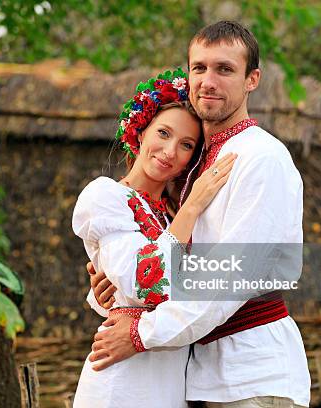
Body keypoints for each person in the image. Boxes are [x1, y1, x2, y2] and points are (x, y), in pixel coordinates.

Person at [88, 21, 311, 408]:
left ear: (252, 79)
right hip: (203, 378)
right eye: (199, 67)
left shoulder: (261, 158)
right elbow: (170, 269)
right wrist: (115, 293)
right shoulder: (194, 167)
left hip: (252, 374)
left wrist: (141, 331)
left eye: (224, 69)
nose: (208, 80)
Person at [71, 68, 237, 407]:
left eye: (186, 145)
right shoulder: (106, 197)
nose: (169, 151)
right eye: (163, 133)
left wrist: (111, 295)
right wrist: (194, 205)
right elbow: (148, 282)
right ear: (141, 131)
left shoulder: (171, 214)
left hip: (171, 378)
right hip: (122, 377)